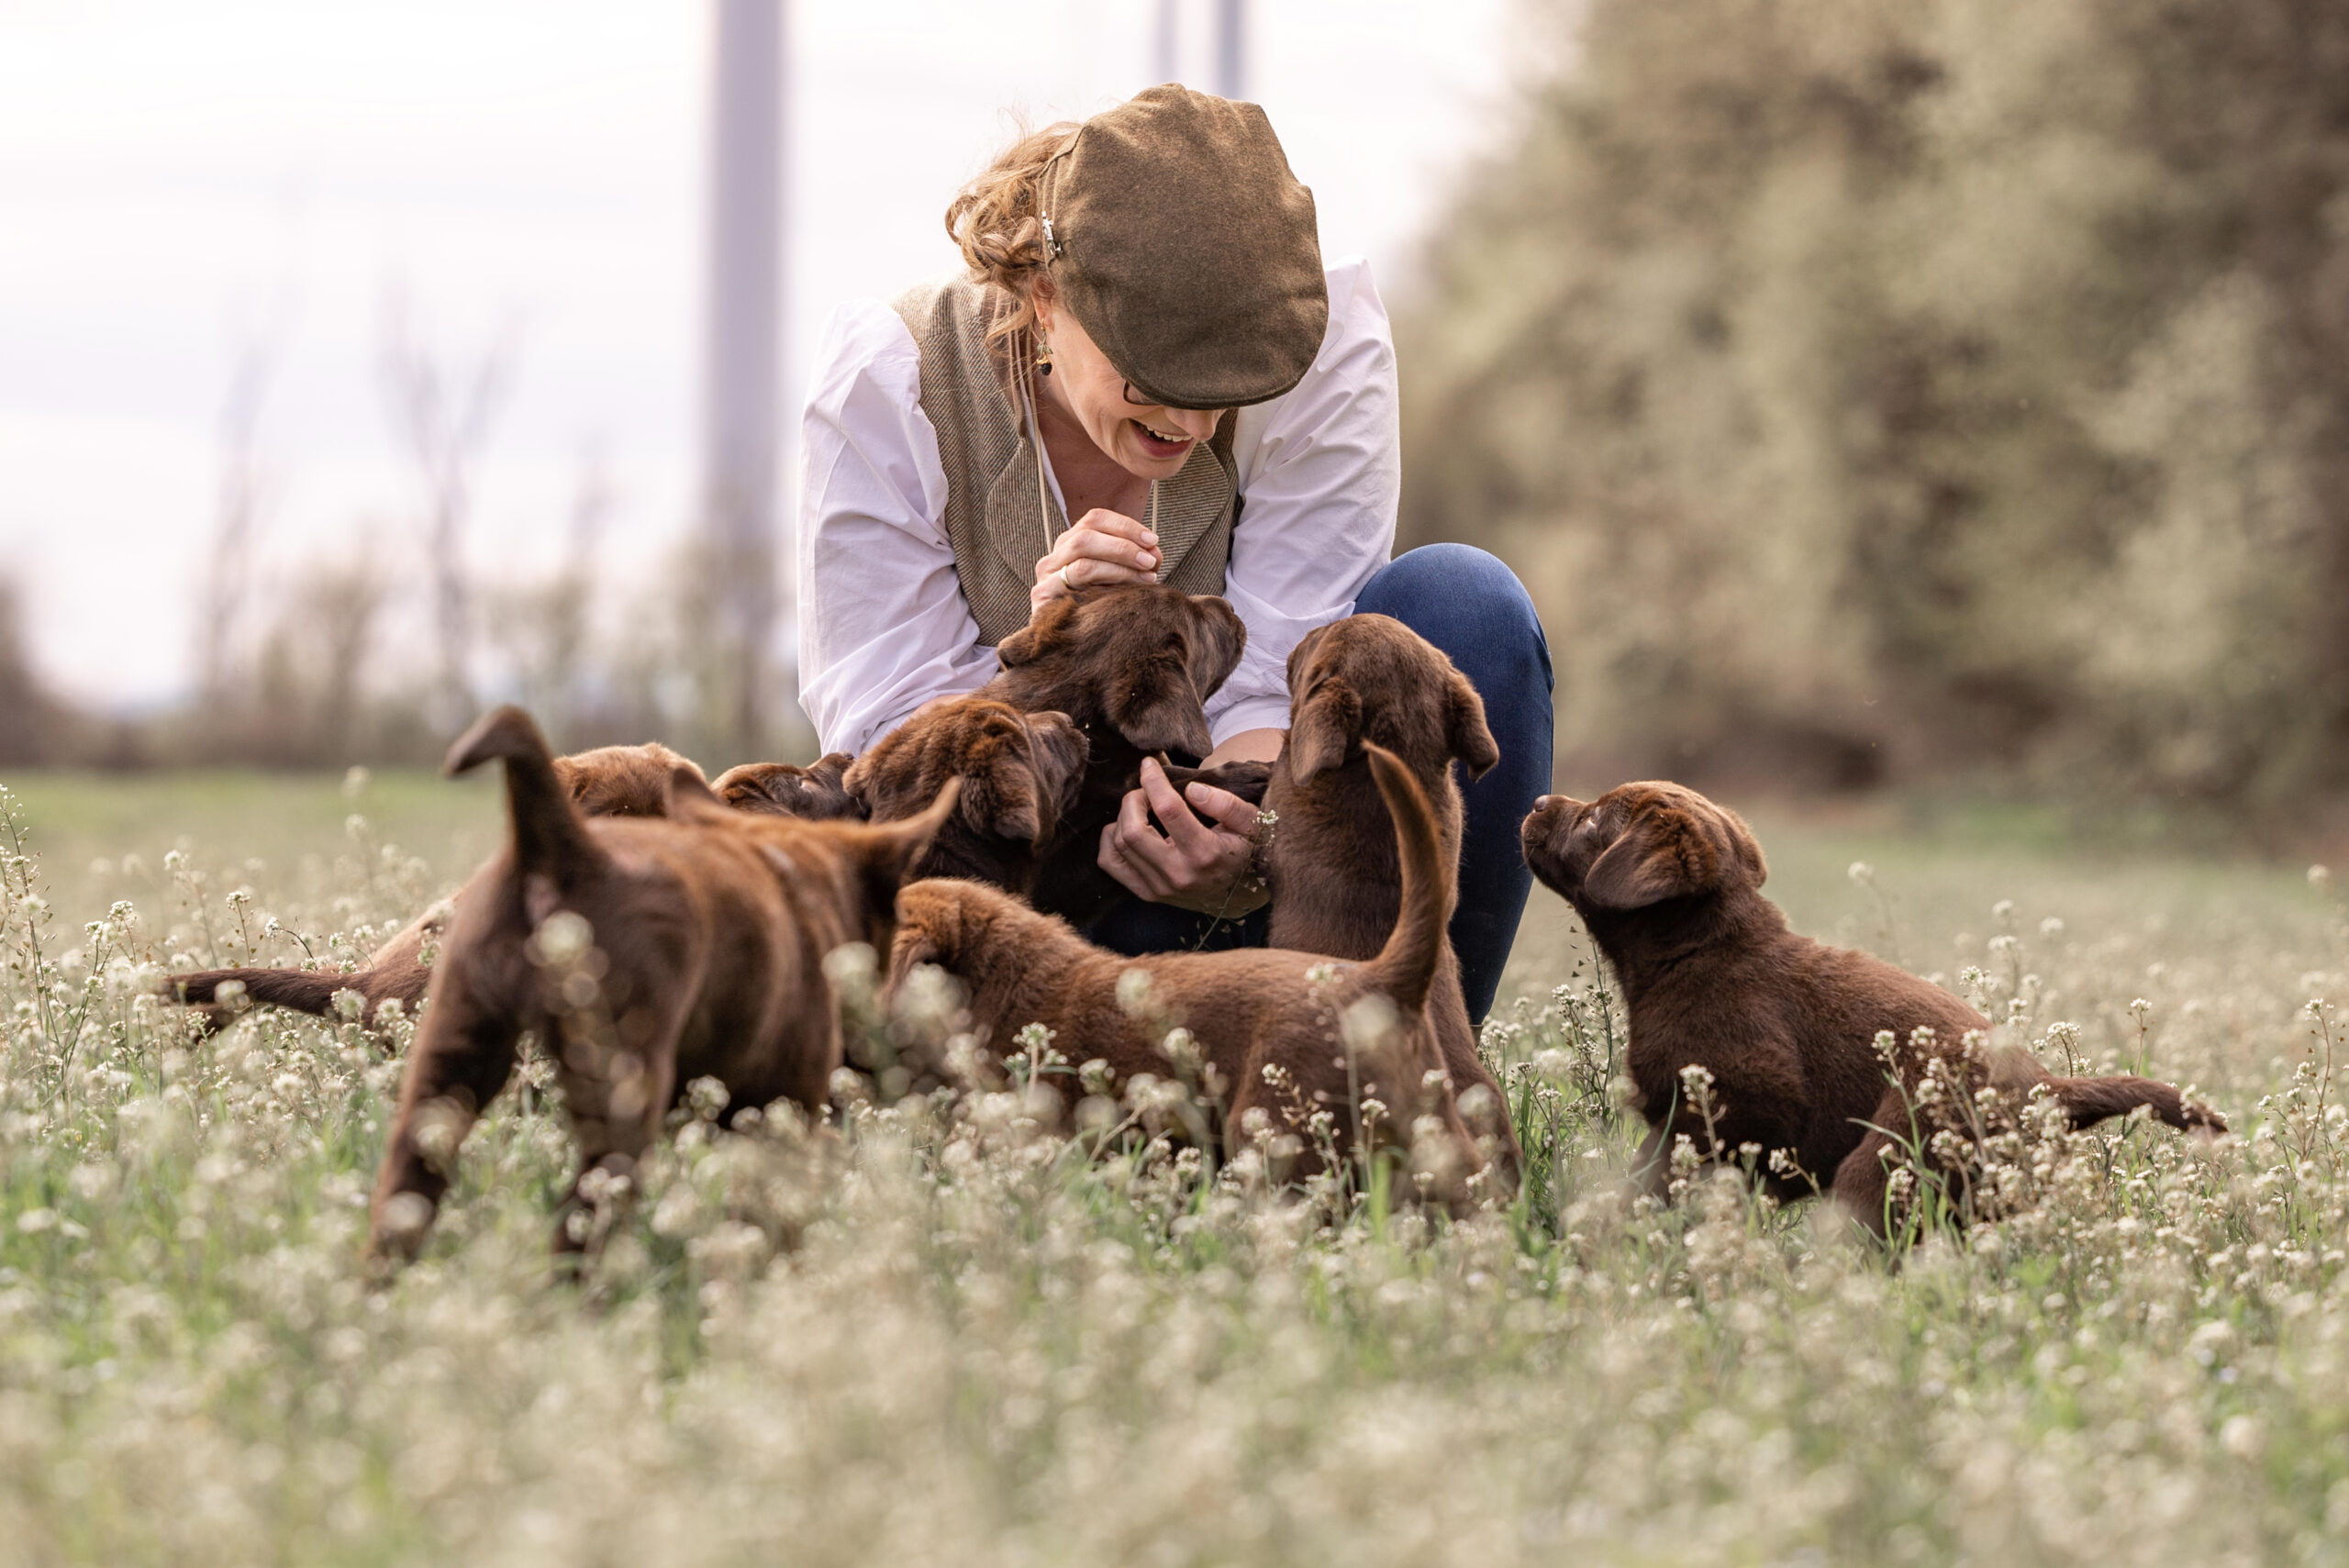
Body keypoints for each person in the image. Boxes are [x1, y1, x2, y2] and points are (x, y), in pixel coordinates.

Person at [798, 84, 1552, 1022]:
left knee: (1463, 602)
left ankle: (1406, 1077)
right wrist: (1050, 667)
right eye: (1152, 379)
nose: (1192, 423)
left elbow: (1287, 655)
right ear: (1042, 294)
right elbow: (889, 750)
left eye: (1227, 388)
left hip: (1293, 897)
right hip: (1031, 926)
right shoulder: (892, 377)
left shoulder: (1320, 342)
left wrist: (1243, 829)